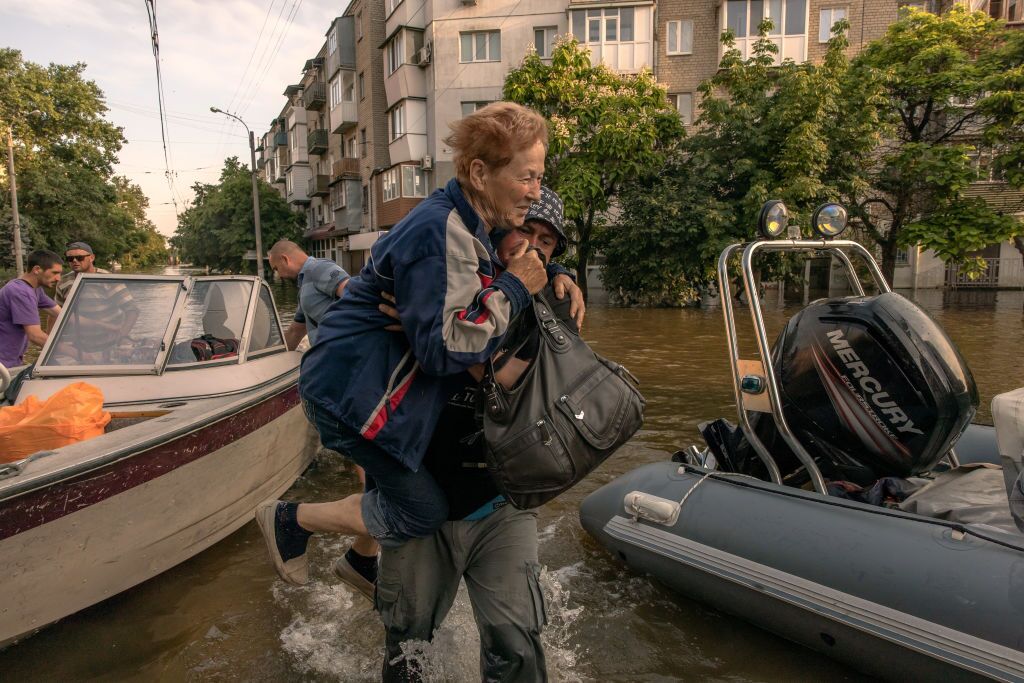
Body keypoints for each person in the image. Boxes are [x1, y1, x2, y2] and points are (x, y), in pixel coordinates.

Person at [255, 102, 583, 595]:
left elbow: (516, 247)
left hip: (368, 390)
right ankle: (291, 519)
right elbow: (445, 351)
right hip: (354, 397)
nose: (536, 191)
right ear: (480, 173)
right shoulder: (441, 231)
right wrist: (517, 286)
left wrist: (553, 271)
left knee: (391, 492)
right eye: (528, 177)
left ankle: (360, 562)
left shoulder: (469, 222)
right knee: (421, 510)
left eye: (540, 178)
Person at [375, 186, 578, 682]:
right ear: (496, 228)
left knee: (517, 645)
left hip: (502, 500)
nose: (533, 247)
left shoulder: (555, 304)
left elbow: (519, 390)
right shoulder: (444, 279)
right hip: (420, 494)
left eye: (547, 242)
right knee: (407, 646)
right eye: (525, 230)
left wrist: (430, 338)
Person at [267, 239, 350, 350]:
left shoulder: (318, 268)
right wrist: (273, 355)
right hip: (325, 354)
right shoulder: (304, 285)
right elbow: (296, 331)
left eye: (276, 269)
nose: (280, 275)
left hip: (344, 352)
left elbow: (355, 294)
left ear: (285, 259)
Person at [0, 250, 62, 369]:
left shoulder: (35, 289)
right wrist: (75, 353)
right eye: (55, 273)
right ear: (37, 269)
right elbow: (35, 336)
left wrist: (97, 324)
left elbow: (63, 315)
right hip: (3, 366)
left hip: (11, 362)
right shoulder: (20, 292)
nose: (58, 278)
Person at [54, 242, 109, 306]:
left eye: (80, 257)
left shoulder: (107, 278)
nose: (74, 261)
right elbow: (58, 309)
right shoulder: (63, 281)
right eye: (70, 258)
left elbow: (119, 304)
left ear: (92, 258)